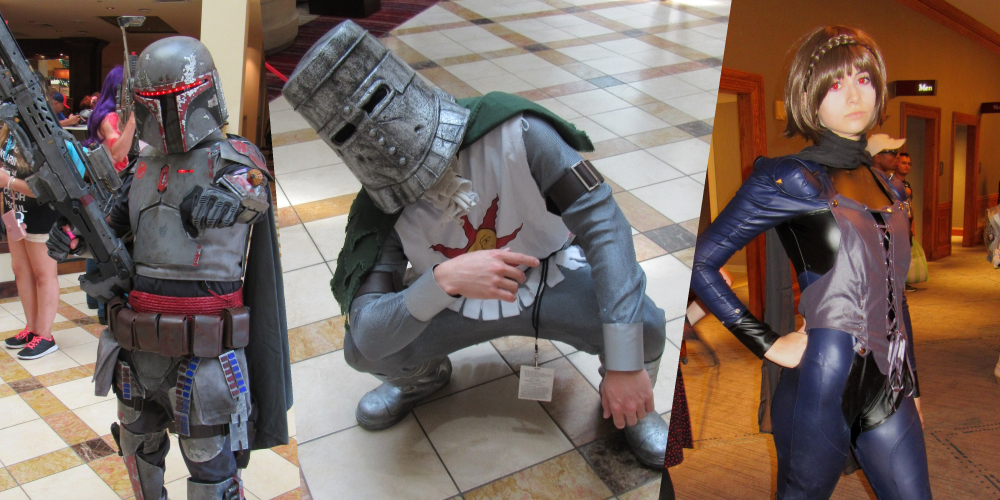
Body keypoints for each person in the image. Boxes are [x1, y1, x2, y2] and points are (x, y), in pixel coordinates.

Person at [282, 20, 671, 467]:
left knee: (643, 326)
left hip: (550, 272)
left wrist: (624, 361)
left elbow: (604, 224)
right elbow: (368, 333)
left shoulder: (518, 132)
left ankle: (633, 405)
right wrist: (442, 280)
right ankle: (421, 378)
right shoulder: (380, 206)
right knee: (367, 349)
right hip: (452, 299)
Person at [690, 26, 930, 500]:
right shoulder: (792, 179)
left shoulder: (887, 185)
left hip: (891, 384)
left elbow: (895, 297)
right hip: (823, 378)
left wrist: (915, 389)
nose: (854, 95)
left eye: (863, 78)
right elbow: (701, 261)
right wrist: (768, 344)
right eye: (835, 83)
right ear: (810, 97)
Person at [47, 36, 291, 500]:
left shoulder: (235, 158)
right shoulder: (141, 167)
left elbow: (254, 189)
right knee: (138, 454)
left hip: (206, 352)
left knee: (210, 466)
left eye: (171, 100)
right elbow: (109, 224)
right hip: (136, 347)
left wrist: (233, 197)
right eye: (152, 104)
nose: (164, 115)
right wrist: (73, 235)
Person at [0, 115, 61, 359]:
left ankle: (45, 336)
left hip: (40, 216)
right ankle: (33, 328)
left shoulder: (41, 132)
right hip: (13, 213)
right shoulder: (8, 131)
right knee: (21, 269)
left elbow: (47, 188)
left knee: (43, 274)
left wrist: (8, 181)